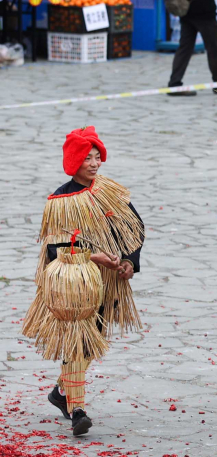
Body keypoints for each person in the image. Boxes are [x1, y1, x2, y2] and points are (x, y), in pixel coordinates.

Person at [24, 127, 144, 437]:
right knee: (78, 339)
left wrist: (129, 260)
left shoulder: (110, 191)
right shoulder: (60, 201)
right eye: (87, 158)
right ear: (74, 161)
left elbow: (135, 227)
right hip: (73, 286)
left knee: (93, 341)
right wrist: (95, 258)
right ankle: (78, 410)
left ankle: (61, 393)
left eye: (96, 157)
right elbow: (55, 248)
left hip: (106, 282)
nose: (94, 163)